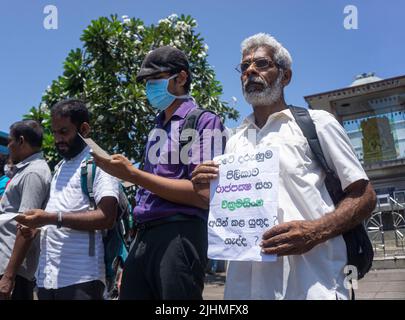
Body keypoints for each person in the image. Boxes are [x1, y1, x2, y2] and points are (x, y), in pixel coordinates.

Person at [191, 33, 377, 300]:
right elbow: (230, 208)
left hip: (313, 283)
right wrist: (203, 188)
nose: (250, 71)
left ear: (285, 76)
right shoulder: (234, 140)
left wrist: (315, 231)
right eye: (244, 67)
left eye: (262, 64)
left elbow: (364, 195)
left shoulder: (316, 123)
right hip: (245, 289)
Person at [92, 46, 226, 300]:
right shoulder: (156, 126)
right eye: (146, 82)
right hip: (143, 236)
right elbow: (148, 188)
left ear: (181, 78)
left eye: (155, 79)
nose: (149, 87)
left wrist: (133, 174)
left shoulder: (203, 121)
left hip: (179, 234)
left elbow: (203, 195)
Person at [15, 99, 120, 300]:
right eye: (54, 133)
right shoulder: (60, 168)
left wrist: (50, 218)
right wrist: (35, 228)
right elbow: (57, 216)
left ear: (84, 129)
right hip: (48, 278)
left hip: (81, 279)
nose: (57, 139)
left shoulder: (100, 163)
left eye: (64, 132)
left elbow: (107, 217)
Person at [0, 120, 51, 300]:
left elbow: (27, 226)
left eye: (10, 141)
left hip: (12, 272)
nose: (9, 146)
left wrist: (8, 276)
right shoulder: (23, 171)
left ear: (21, 141)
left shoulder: (33, 173)